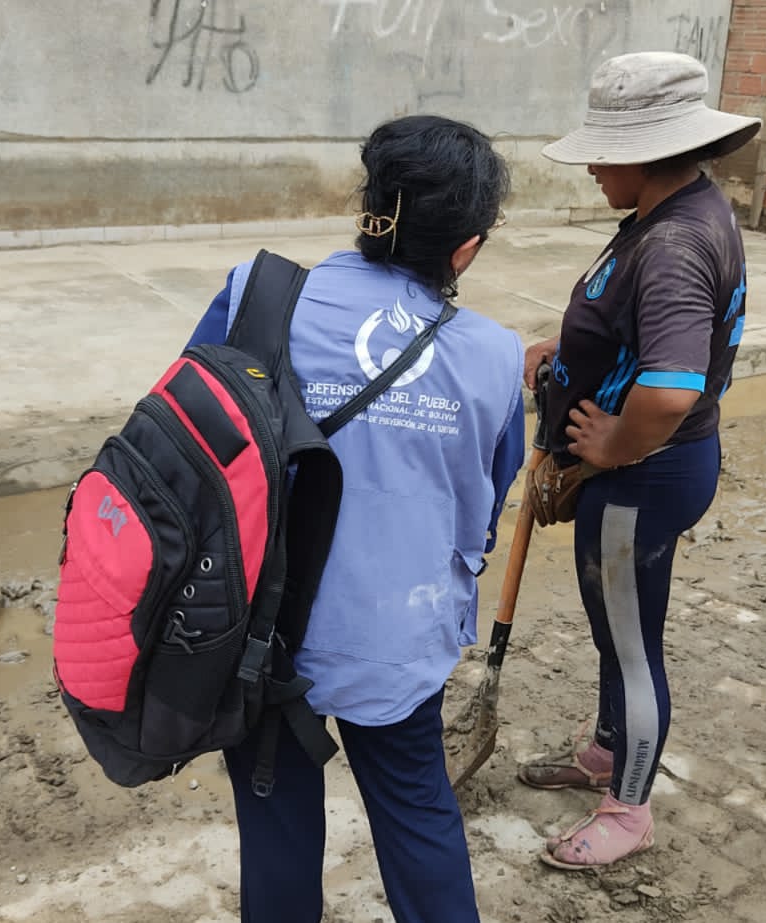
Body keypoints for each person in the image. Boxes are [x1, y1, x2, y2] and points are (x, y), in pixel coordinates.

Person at [185, 115, 525, 922]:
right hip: (399, 639)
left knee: (276, 834)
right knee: (417, 814)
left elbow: (192, 444)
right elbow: (484, 509)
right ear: (467, 246)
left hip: (259, 632)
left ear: (371, 209)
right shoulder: (496, 354)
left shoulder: (252, 296)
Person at [515, 52, 759, 870]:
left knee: (629, 640)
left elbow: (666, 390)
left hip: (642, 478)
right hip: (645, 474)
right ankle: (608, 747)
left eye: (602, 151)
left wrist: (611, 443)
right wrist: (571, 345)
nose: (590, 165)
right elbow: (643, 333)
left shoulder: (675, 243)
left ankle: (628, 806)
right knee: (617, 624)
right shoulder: (676, 211)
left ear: (647, 151)